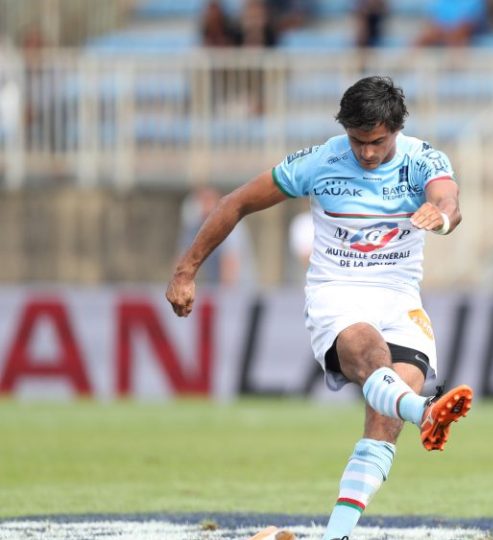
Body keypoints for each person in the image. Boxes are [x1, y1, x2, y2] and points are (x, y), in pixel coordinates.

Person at [166, 76, 474, 540]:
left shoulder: (424, 159)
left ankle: (337, 534)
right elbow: (235, 203)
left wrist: (443, 216)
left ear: (396, 129)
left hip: (400, 297)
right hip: (339, 292)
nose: (367, 153)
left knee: (383, 420)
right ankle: (426, 411)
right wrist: (186, 270)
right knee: (369, 354)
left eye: (377, 142)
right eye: (357, 141)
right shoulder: (320, 161)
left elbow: (448, 199)